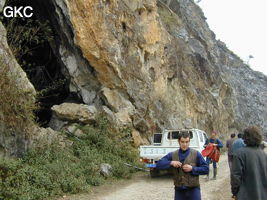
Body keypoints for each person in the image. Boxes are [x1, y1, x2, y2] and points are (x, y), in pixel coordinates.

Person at [156, 132, 208, 200]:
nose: (184, 144)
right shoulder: (172, 154)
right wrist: (171, 162)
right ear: (179, 141)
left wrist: (192, 169)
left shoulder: (196, 154)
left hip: (193, 190)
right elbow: (159, 164)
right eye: (182, 142)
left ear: (189, 142)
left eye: (187, 142)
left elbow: (206, 169)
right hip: (179, 190)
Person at [231, 126, 267, 200]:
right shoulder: (263, 154)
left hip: (245, 196)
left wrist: (235, 192)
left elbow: (235, 177)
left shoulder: (239, 154)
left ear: (245, 137)